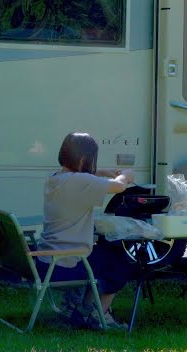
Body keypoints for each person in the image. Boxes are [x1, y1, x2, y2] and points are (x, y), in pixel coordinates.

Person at [36, 131, 136, 330]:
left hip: (46, 259)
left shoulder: (56, 177)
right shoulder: (79, 182)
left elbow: (82, 177)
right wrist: (127, 174)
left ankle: (84, 308)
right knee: (121, 261)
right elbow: (118, 187)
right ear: (83, 158)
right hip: (65, 264)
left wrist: (104, 171)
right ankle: (101, 315)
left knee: (104, 254)